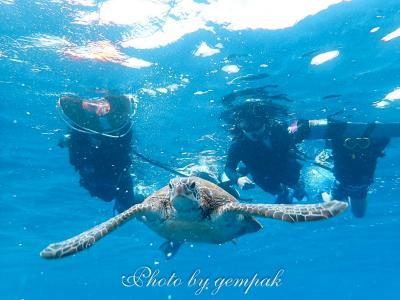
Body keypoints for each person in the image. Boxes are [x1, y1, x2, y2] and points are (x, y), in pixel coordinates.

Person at [58, 94, 143, 213]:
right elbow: (64, 101)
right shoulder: (81, 134)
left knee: (121, 200)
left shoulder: (117, 128)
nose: (99, 110)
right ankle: (126, 204)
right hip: (103, 170)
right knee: (115, 198)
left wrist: (89, 106)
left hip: (112, 164)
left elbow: (64, 102)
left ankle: (127, 204)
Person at [224, 101, 308, 204]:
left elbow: (297, 127)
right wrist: (238, 179)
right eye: (245, 125)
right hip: (262, 175)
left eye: (256, 123)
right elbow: (229, 168)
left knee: (295, 182)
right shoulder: (238, 144)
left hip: (286, 166)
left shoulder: (279, 130)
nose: (251, 130)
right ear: (240, 126)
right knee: (274, 189)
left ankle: (297, 188)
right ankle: (282, 193)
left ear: (265, 122)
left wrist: (299, 127)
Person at [326, 137, 390, 217]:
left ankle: (324, 193)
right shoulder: (370, 151)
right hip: (356, 186)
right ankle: (324, 193)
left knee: (357, 214)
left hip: (350, 185)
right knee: (358, 214)